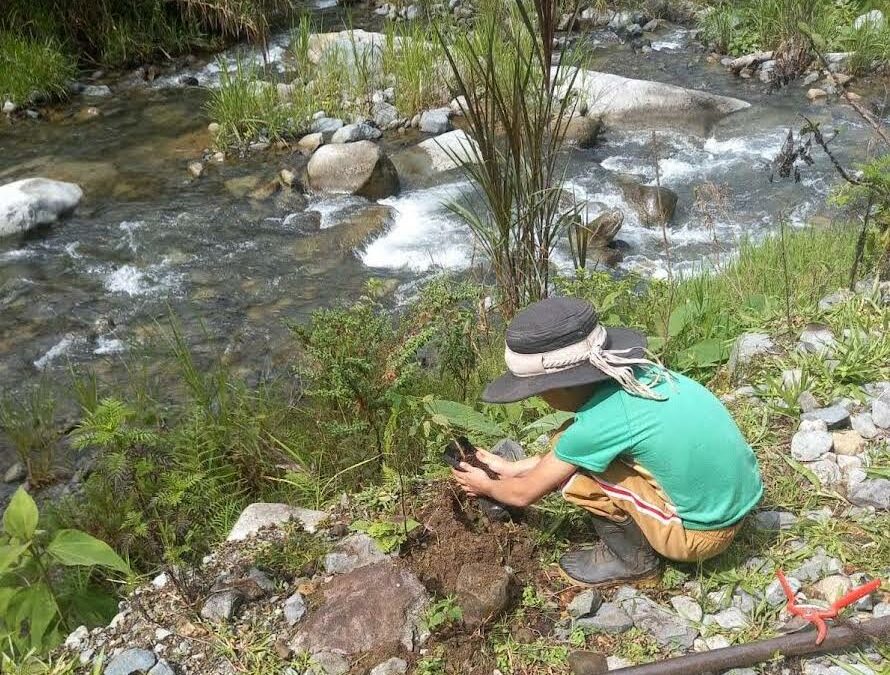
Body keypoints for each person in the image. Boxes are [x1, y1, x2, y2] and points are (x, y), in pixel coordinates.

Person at [451, 297, 763, 587]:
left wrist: (487, 487)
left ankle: (634, 561)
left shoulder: (596, 426)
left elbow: (522, 495)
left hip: (702, 535)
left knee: (577, 477)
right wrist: (513, 467)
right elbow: (574, 446)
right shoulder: (639, 376)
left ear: (560, 386)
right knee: (572, 440)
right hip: (741, 499)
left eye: (539, 391)